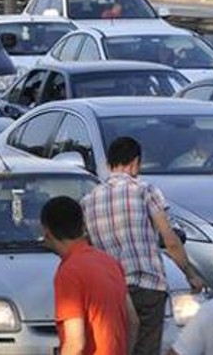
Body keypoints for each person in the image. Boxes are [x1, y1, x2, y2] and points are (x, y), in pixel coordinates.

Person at [82, 137, 205, 355]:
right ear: (135, 162)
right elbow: (170, 240)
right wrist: (190, 274)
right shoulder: (144, 190)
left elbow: (89, 249)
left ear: (109, 165)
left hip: (112, 290)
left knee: (116, 346)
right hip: (148, 284)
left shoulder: (88, 201)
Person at [40, 196, 138, 355]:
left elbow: (75, 344)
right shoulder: (109, 262)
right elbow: (133, 322)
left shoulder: (69, 272)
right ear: (82, 225)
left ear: (46, 232)